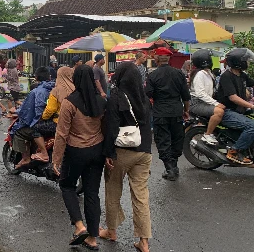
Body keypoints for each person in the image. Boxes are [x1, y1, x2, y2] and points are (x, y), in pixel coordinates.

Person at [52, 65, 107, 250]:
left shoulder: (70, 102)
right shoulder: (101, 100)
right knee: (92, 193)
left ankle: (79, 226)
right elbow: (106, 129)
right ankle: (92, 238)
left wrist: (56, 159)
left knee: (67, 186)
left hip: (76, 152)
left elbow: (61, 134)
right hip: (97, 151)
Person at [100, 62, 153, 252]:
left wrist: (108, 153)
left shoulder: (116, 97)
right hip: (144, 151)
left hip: (122, 151)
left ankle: (111, 230)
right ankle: (144, 241)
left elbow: (112, 127)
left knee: (113, 190)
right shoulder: (143, 97)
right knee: (141, 196)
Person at [145, 47, 190, 181]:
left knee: (163, 140)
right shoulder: (179, 74)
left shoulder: (152, 75)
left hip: (160, 112)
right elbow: (186, 96)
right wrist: (186, 110)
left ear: (156, 59)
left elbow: (148, 94)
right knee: (177, 138)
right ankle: (173, 166)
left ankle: (170, 168)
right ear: (169, 58)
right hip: (177, 110)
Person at [215, 48, 254, 164]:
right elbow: (233, 97)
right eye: (246, 60)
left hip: (239, 111)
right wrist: (252, 106)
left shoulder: (242, 75)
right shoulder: (226, 76)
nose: (248, 62)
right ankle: (234, 152)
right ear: (239, 62)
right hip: (228, 111)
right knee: (252, 126)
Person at [11, 67, 54, 168]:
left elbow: (27, 110)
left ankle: (26, 158)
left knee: (18, 131)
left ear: (36, 77)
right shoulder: (55, 88)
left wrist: (16, 112)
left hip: (43, 123)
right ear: (49, 77)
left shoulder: (36, 92)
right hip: (56, 122)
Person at [188, 49, 225, 145]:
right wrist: (216, 104)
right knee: (219, 112)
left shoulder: (208, 73)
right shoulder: (200, 74)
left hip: (205, 101)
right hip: (197, 103)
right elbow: (200, 93)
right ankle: (207, 135)